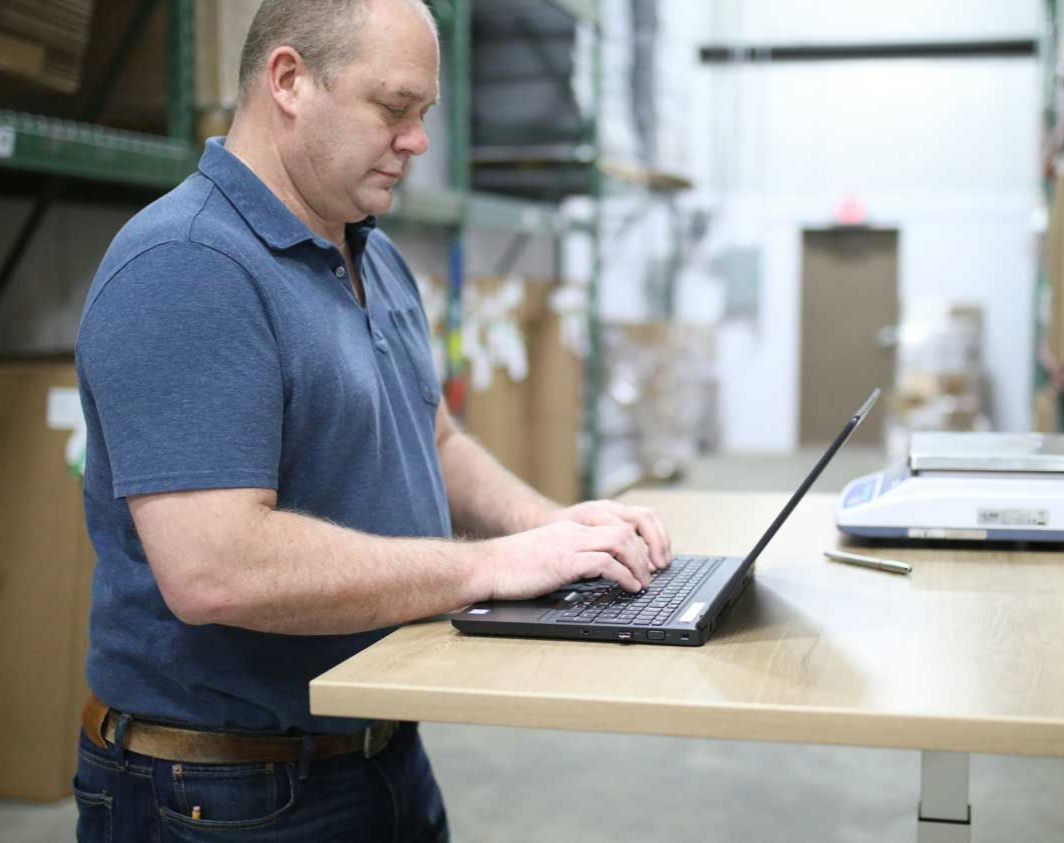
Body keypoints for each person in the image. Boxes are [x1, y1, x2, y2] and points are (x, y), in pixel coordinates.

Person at [70, 0, 672, 839]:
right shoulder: (189, 266)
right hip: (225, 790)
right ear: (288, 81)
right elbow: (216, 568)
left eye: (422, 115)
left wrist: (555, 528)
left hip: (375, 751)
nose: (417, 141)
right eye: (392, 109)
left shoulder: (370, 252)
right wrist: (488, 566)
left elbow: (431, 438)